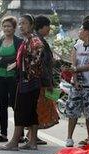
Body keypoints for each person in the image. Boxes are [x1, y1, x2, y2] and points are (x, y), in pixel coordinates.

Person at [0, 14, 43, 151]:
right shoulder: (27, 40)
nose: (21, 26)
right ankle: (32, 142)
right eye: (21, 23)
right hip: (31, 81)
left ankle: (14, 142)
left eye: (24, 23)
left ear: (31, 25)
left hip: (27, 81)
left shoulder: (34, 41)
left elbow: (35, 61)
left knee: (19, 110)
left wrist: (22, 69)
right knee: (31, 112)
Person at [64, 20, 89, 147]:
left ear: (87, 31)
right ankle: (69, 137)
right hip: (76, 85)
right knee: (72, 111)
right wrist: (75, 80)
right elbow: (73, 64)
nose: (79, 31)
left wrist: (76, 69)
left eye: (81, 29)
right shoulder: (77, 45)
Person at [0, 16, 23, 142]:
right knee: (2, 106)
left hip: (14, 78)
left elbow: (19, 58)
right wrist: (9, 62)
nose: (6, 28)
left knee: (16, 106)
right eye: (4, 26)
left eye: (9, 26)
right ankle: (3, 134)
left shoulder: (19, 41)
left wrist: (2, 60)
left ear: (14, 28)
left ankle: (19, 135)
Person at [33, 15, 59, 144]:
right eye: (48, 26)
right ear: (42, 27)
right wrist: (48, 82)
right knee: (40, 108)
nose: (49, 29)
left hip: (41, 80)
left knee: (39, 108)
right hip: (42, 81)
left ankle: (32, 134)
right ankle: (32, 135)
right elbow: (41, 65)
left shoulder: (39, 40)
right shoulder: (38, 41)